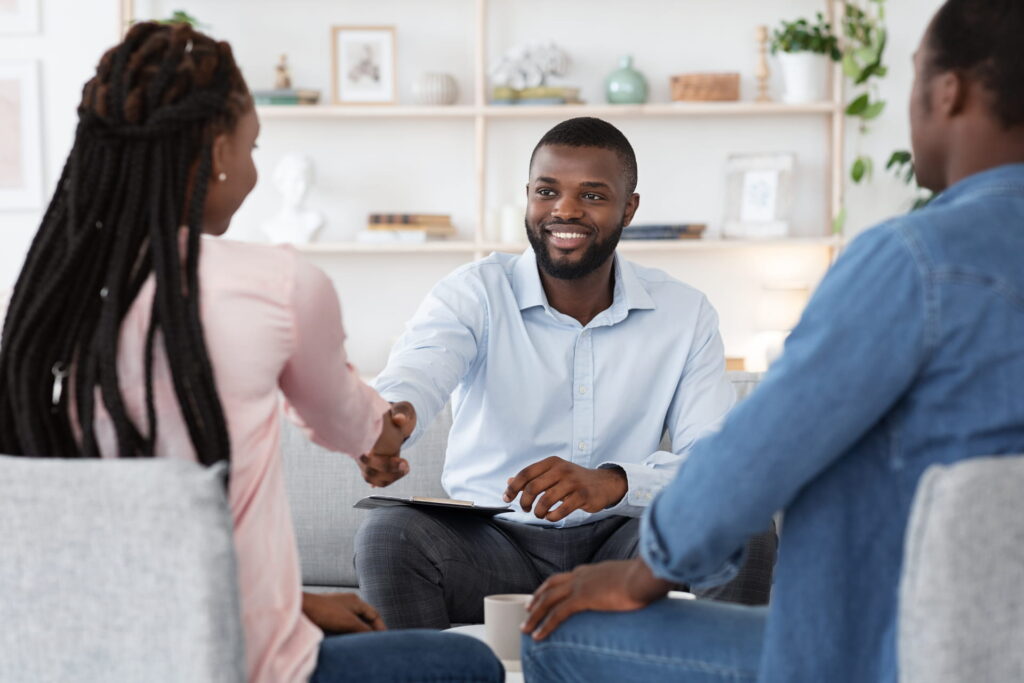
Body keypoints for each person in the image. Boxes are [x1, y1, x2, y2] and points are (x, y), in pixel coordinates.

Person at [518, 1, 1024, 681]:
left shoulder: (917, 264)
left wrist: (645, 573)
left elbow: (755, 456)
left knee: (559, 633)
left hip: (879, 653)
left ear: (947, 90)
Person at [0, 23, 501, 683]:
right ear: (216, 151)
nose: (257, 169)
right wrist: (384, 436)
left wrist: (295, 603)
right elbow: (354, 425)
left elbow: (140, 551)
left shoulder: (51, 298)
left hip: (89, 656)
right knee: (469, 663)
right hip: (246, 666)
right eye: (253, 145)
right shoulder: (277, 285)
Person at [355, 117, 777, 630]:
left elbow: (716, 465)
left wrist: (616, 484)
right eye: (547, 191)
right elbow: (419, 369)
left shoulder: (685, 313)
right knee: (387, 534)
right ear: (528, 198)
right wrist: (390, 422)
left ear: (629, 207)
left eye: (593, 195)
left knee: (741, 525)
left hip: (624, 548)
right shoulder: (474, 293)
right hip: (490, 546)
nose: (565, 210)